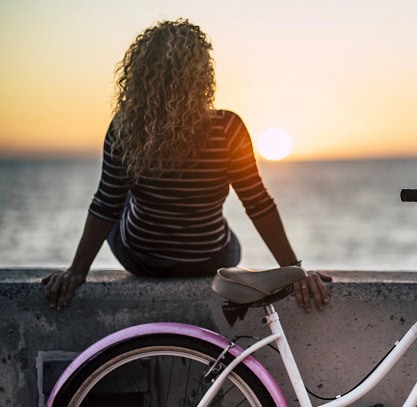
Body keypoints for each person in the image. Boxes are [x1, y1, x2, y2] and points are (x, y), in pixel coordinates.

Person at [42, 19, 330, 312]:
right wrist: (294, 270)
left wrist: (76, 270)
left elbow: (106, 204)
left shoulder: (125, 128)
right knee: (221, 226)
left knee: (122, 195)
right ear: (203, 75)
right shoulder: (228, 128)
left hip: (142, 259)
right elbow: (257, 203)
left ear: (139, 75)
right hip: (210, 260)